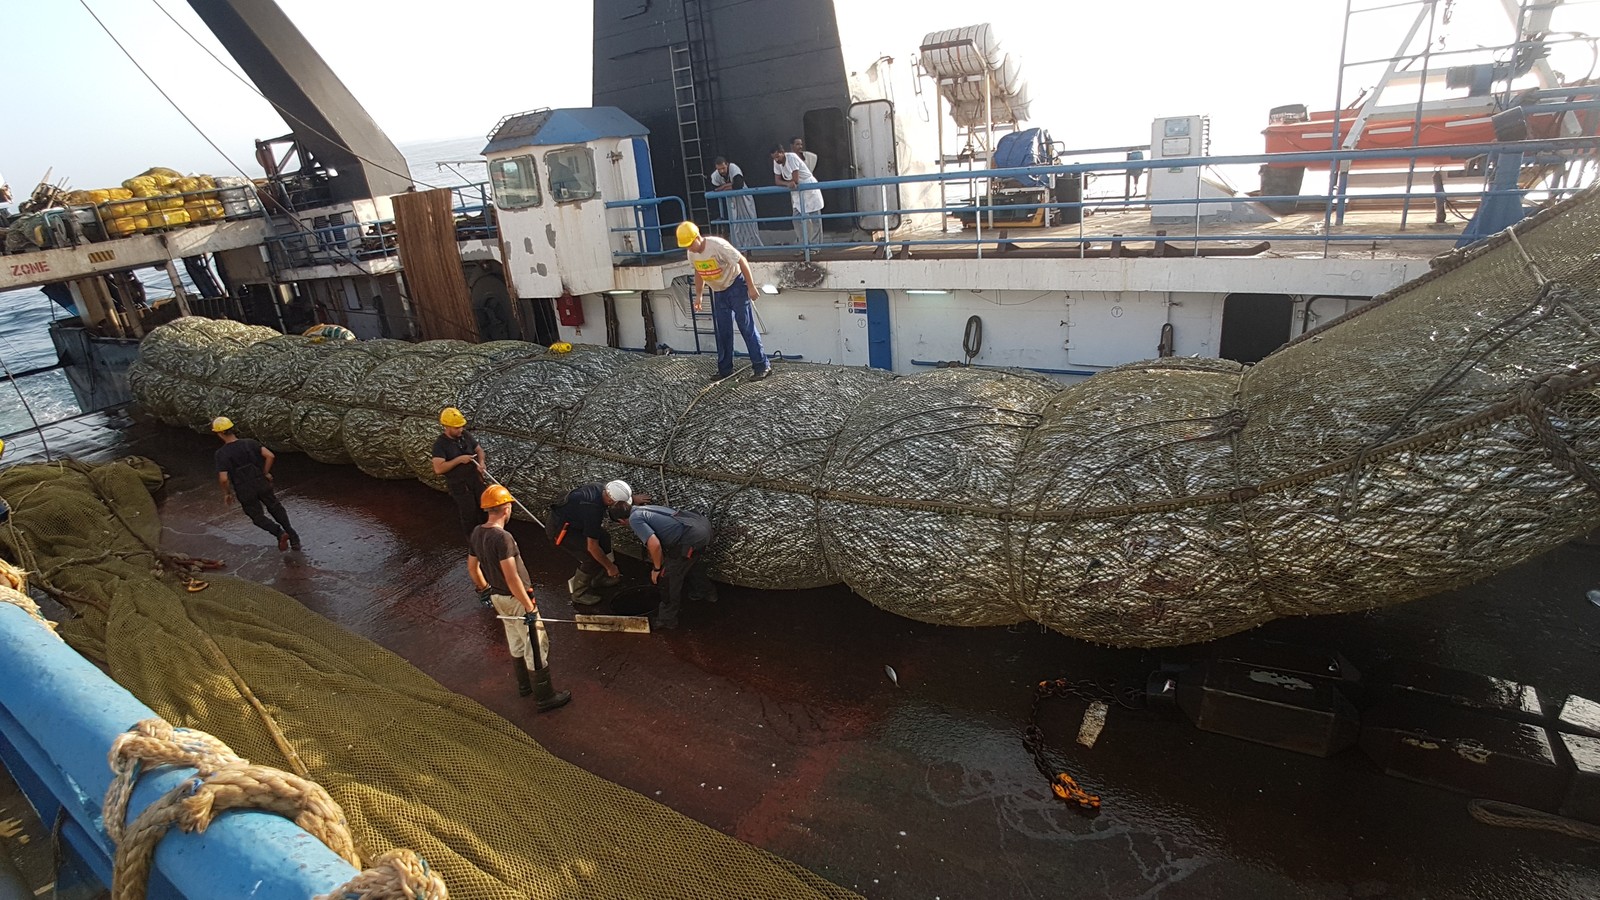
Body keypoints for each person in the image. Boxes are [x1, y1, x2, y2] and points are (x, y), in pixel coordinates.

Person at [468, 484, 571, 711]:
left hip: (497, 597)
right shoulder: (503, 538)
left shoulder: (477, 533)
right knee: (535, 644)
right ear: (506, 508)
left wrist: (485, 589)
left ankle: (524, 686)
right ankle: (544, 697)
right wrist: (529, 607)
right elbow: (512, 576)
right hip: (516, 600)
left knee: (514, 639)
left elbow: (473, 567)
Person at [678, 220, 771, 382]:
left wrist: (751, 287)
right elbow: (699, 272)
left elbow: (741, 261)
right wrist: (699, 295)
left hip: (736, 286)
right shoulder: (691, 254)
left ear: (698, 237)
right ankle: (725, 369)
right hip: (718, 291)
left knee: (746, 327)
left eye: (690, 244)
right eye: (686, 246)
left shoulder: (718, 246)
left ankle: (762, 366)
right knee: (723, 331)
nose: (690, 248)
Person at [609, 500, 715, 630]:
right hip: (700, 526)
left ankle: (666, 619)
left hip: (690, 537)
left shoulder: (634, 519)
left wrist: (657, 568)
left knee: (668, 577)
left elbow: (655, 544)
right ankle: (705, 592)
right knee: (689, 563)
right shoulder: (641, 509)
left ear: (621, 521)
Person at [212, 416, 300, 551]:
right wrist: (265, 473)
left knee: (257, 517)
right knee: (276, 508)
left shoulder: (221, 454)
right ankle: (294, 537)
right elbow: (270, 456)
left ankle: (279, 532)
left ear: (219, 433)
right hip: (261, 482)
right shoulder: (249, 443)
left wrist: (227, 493)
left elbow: (223, 478)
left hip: (244, 489)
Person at [545, 479, 629, 605]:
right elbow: (592, 547)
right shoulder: (593, 511)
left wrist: (632, 498)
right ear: (611, 501)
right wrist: (610, 567)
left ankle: (597, 579)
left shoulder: (601, 488)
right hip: (562, 530)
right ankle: (579, 593)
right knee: (591, 558)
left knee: (604, 538)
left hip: (575, 522)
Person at [431, 407, 487, 539]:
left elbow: (479, 450)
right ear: (446, 427)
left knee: (485, 508)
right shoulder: (440, 445)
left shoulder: (465, 435)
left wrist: (482, 463)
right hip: (460, 485)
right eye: (456, 428)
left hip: (475, 480)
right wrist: (459, 460)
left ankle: (488, 537)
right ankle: (473, 543)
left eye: (461, 426)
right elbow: (438, 468)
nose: (460, 430)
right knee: (469, 514)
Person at [771, 144, 823, 247]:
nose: (776, 159)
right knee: (796, 218)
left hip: (808, 187)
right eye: (774, 158)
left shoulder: (792, 157)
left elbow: (796, 180)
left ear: (782, 152)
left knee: (815, 219)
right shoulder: (776, 162)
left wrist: (790, 183)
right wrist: (787, 184)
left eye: (778, 156)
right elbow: (777, 181)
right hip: (796, 191)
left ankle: (816, 246)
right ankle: (804, 244)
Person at [709, 157, 763, 248]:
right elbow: (714, 189)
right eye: (719, 169)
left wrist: (724, 187)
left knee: (750, 221)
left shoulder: (733, 168)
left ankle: (754, 247)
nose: (722, 171)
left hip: (744, 198)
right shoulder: (715, 175)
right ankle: (741, 248)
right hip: (732, 201)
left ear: (727, 164)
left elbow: (738, 184)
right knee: (736, 225)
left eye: (723, 168)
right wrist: (730, 185)